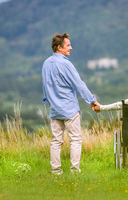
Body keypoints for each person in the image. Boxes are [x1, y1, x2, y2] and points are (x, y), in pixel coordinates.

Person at [42, 33, 99, 175]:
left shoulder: (46, 63)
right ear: (59, 47)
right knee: (75, 140)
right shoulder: (66, 64)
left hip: (54, 109)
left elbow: (45, 87)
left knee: (56, 141)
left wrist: (49, 102)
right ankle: (74, 171)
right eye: (68, 45)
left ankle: (56, 171)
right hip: (69, 109)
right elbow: (79, 84)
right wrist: (92, 100)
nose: (71, 48)